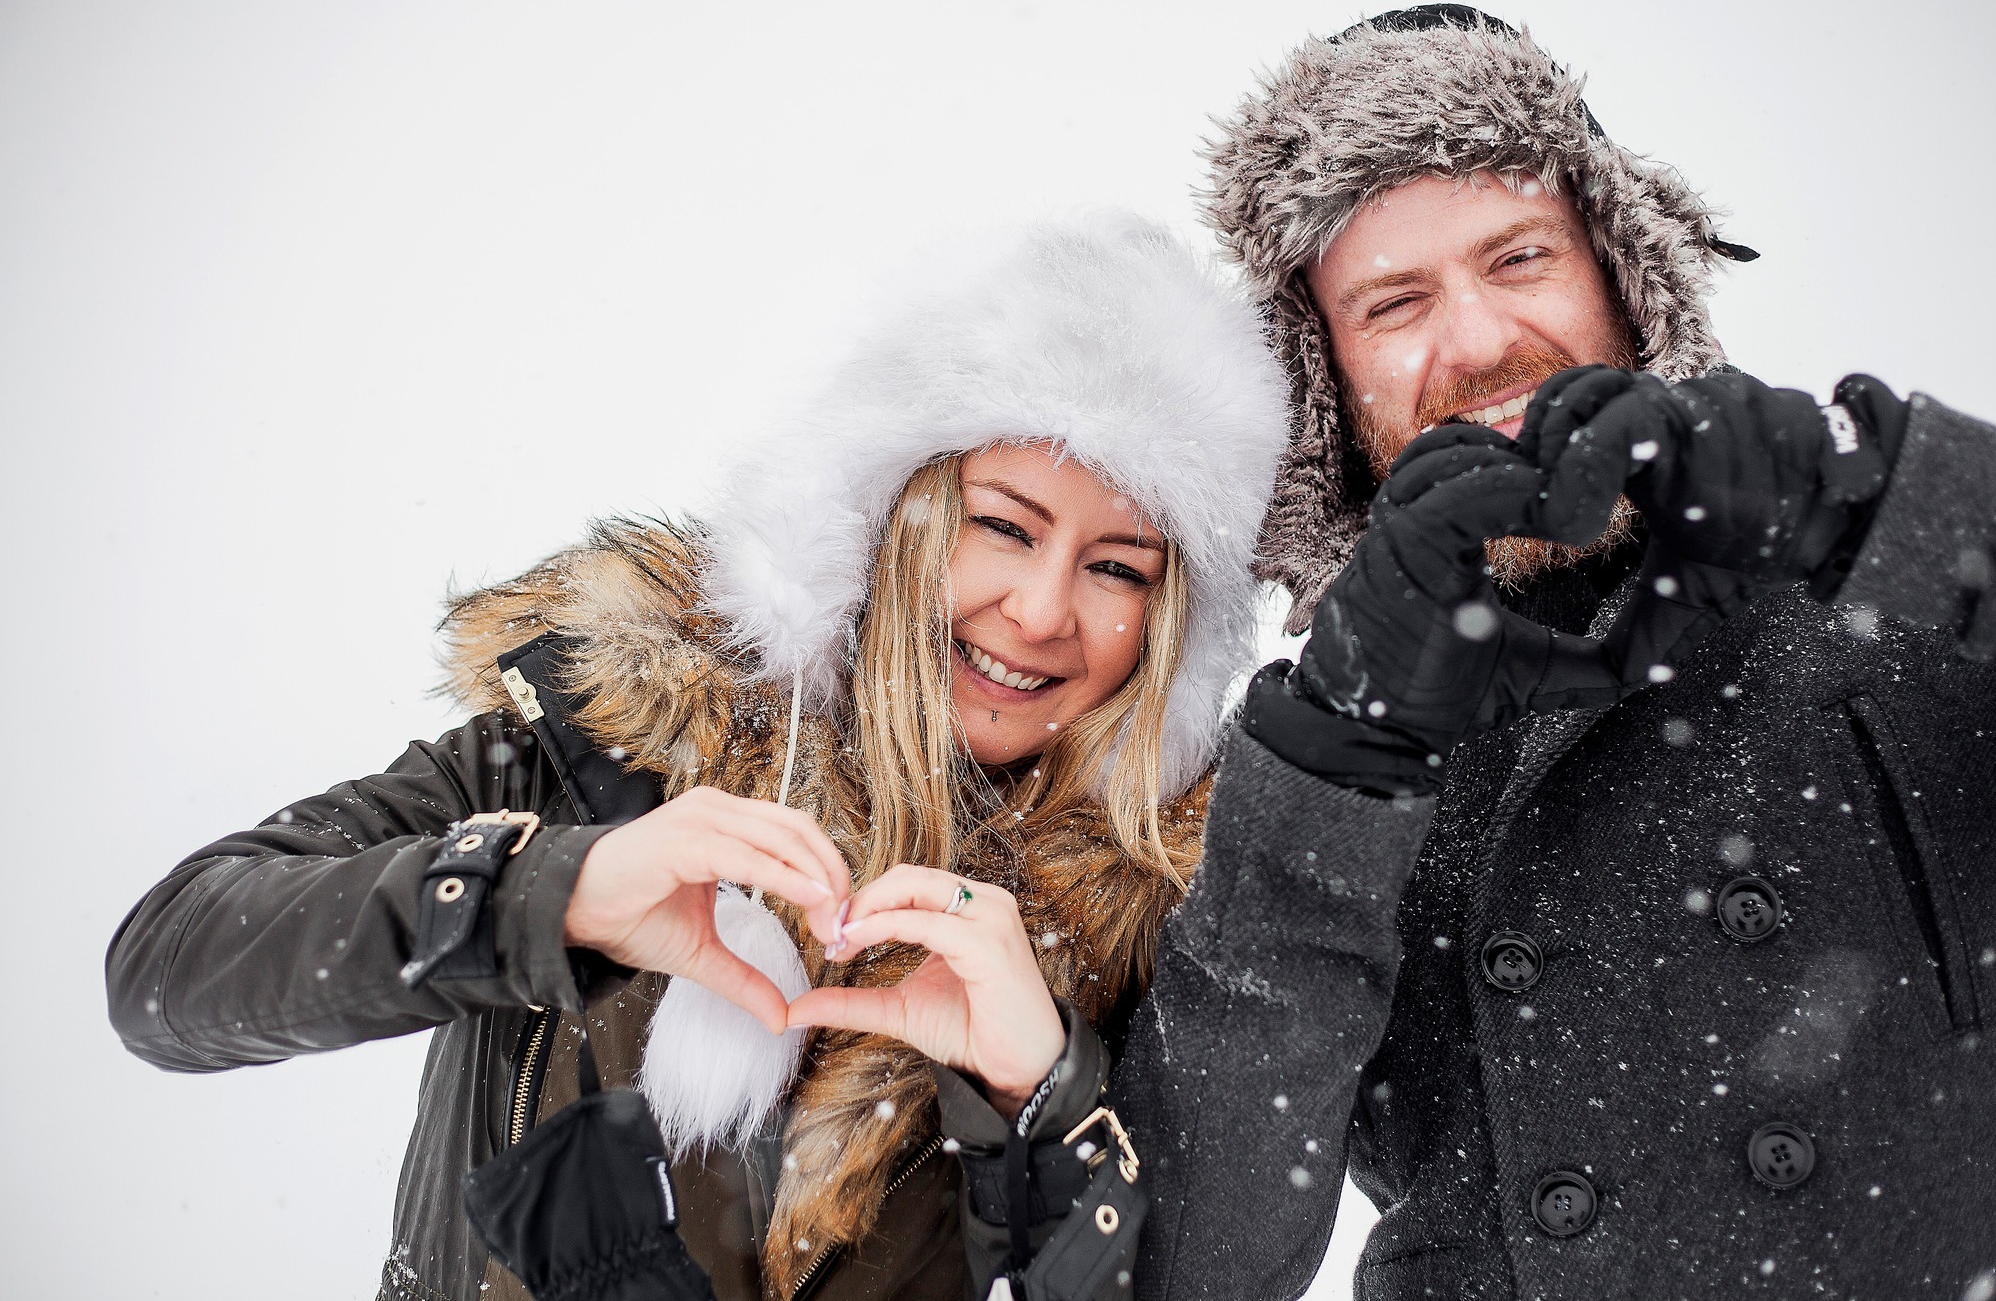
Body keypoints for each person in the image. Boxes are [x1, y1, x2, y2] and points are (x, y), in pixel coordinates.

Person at [105, 214, 1290, 1301]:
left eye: (1116, 567)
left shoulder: (1162, 928)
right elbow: (170, 971)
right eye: (1002, 526)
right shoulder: (608, 739)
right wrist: (551, 894)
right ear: (890, 516)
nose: (1038, 611)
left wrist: (1041, 1103)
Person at [1113, 5, 1996, 1299]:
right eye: (1393, 303)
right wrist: (1335, 755)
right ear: (1325, 381)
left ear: (1618, 266)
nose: (1480, 342)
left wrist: (1875, 495)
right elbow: (1186, 1262)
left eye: (1517, 257)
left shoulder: (1884, 587)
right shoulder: (1297, 760)